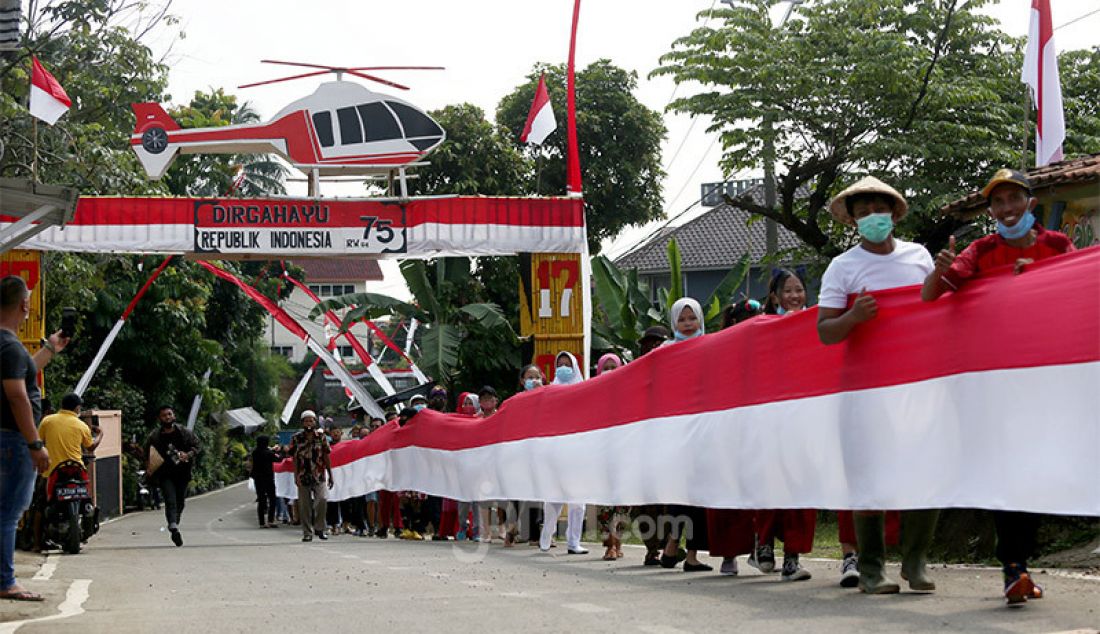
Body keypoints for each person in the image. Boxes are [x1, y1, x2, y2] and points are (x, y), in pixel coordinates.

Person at [922, 168, 1073, 605]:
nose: (1006, 209)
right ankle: (1014, 569)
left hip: (1047, 378)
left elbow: (1075, 291)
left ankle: (1016, 562)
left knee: (1038, 472)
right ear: (991, 210)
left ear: (1030, 203)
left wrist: (1040, 278)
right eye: (998, 203)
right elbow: (931, 296)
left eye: (1013, 200)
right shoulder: (980, 250)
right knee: (1009, 470)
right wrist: (940, 271)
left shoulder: (1057, 245)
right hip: (995, 382)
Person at [816, 176, 939, 595]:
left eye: (878, 209)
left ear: (894, 213)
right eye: (862, 211)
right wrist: (853, 318)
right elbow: (824, 331)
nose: (872, 217)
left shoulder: (919, 256)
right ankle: (871, 568)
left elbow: (937, 303)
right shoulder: (842, 267)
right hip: (865, 389)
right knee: (869, 476)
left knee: (925, 470)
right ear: (851, 220)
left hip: (917, 383)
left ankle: (916, 561)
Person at [1, 275, 68, 601]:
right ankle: (5, 581)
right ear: (24, 304)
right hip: (13, 441)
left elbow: (22, 372)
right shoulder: (10, 346)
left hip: (9, 439)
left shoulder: (7, 344)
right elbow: (16, 395)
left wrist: (49, 350)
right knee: (9, 512)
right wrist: (34, 442)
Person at [707, 300, 762, 576]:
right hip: (728, 432)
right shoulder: (720, 350)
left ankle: (760, 547)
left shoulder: (766, 348)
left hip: (759, 430)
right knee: (728, 495)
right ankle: (729, 554)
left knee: (760, 492)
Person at [658, 298, 712, 572]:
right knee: (680, 492)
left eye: (693, 318)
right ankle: (672, 544)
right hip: (676, 432)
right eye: (683, 319)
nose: (689, 324)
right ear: (674, 323)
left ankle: (690, 555)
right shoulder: (665, 352)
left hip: (703, 431)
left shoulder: (711, 346)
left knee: (699, 494)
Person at [539, 351, 589, 555]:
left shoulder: (584, 390)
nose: (564, 368)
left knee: (578, 501)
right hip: (556, 451)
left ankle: (573, 541)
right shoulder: (550, 390)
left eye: (568, 364)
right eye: (560, 364)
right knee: (553, 499)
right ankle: (546, 535)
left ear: (575, 366)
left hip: (578, 452)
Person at [630, 325, 670, 566]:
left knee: (669, 501)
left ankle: (668, 544)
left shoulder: (676, 368)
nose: (654, 347)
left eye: (659, 342)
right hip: (639, 444)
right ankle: (652, 547)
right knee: (644, 502)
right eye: (650, 343)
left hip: (668, 443)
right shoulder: (633, 372)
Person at [145, 405, 201, 547]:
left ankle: (174, 522)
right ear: (160, 418)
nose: (167, 417)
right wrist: (149, 466)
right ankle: (173, 525)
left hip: (182, 473)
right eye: (164, 415)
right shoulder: (155, 436)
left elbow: (197, 446)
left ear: (174, 416)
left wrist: (188, 454)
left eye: (169, 414)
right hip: (165, 474)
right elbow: (147, 452)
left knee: (180, 501)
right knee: (170, 499)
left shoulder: (184, 433)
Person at [593, 354, 629, 561]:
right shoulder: (594, 394)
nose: (609, 370)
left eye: (613, 366)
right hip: (602, 455)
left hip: (624, 454)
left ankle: (617, 541)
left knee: (623, 503)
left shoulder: (628, 391)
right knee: (606, 504)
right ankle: (610, 545)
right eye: (605, 367)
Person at [288, 410, 333, 542]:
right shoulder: (296, 438)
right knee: (304, 505)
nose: (309, 423)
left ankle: (319, 527)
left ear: (315, 422)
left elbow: (326, 455)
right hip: (303, 475)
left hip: (319, 474)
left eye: (311, 420)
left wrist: (330, 474)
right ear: (302, 423)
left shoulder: (321, 437)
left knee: (322, 499)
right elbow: (295, 458)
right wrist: (295, 475)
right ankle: (307, 532)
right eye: (306, 421)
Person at [250, 435, 281, 529]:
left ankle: (262, 522)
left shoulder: (255, 452)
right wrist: (276, 451)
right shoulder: (269, 453)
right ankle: (270, 520)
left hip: (258, 478)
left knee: (261, 499)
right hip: (268, 478)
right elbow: (278, 459)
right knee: (272, 499)